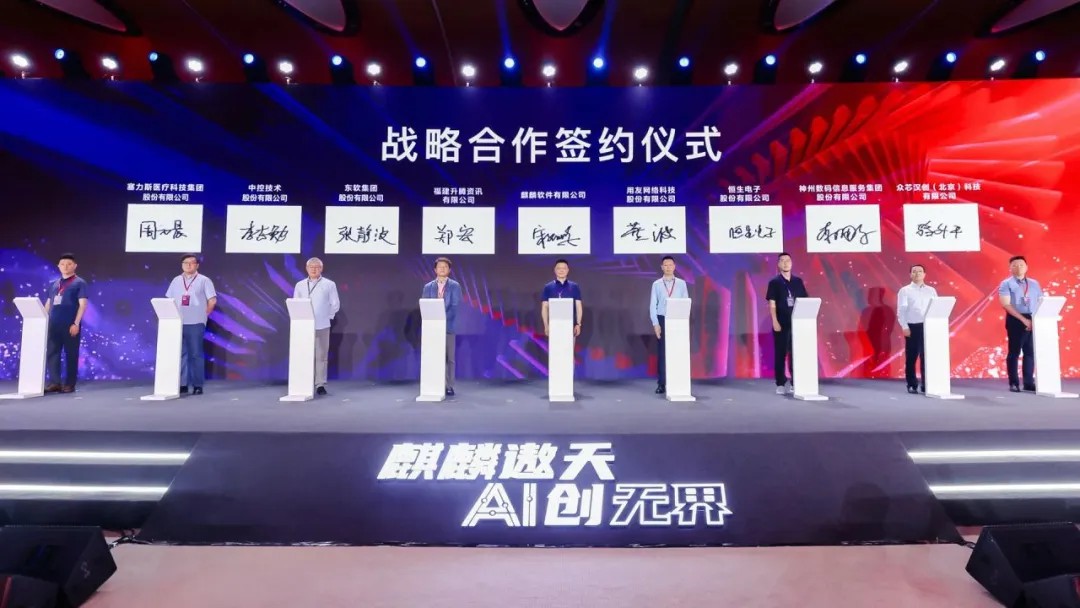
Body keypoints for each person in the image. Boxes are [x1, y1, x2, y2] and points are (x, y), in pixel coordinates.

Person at [166, 254, 217, 395]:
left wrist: (204, 315)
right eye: (185, 262)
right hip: (177, 322)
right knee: (180, 354)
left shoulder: (204, 280)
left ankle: (197, 385)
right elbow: (169, 299)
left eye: (191, 263)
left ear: (197, 265)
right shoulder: (176, 280)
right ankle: (182, 384)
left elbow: (212, 300)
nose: (188, 265)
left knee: (195, 354)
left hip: (195, 322)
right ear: (182, 265)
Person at [293, 257, 340, 396]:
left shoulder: (329, 284)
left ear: (321, 268)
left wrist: (327, 316)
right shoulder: (300, 285)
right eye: (311, 267)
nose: (314, 269)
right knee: (303, 355)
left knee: (321, 356)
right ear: (306, 268)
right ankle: (303, 382)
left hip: (322, 324)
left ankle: (320, 384)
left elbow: (335, 304)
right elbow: (295, 303)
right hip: (303, 325)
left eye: (317, 267)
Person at [44, 253, 88, 393]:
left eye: (69, 264)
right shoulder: (54, 284)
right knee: (52, 353)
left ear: (75, 266)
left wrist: (76, 323)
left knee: (71, 354)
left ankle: (70, 383)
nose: (65, 267)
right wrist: (43, 320)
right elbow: (49, 303)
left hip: (70, 325)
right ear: (58, 266)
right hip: (53, 325)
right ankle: (55, 382)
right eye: (62, 264)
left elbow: (83, 305)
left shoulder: (79, 283)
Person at [766, 252, 809, 395]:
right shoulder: (774, 282)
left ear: (792, 263)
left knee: (796, 354)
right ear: (778, 264)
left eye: (788, 260)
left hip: (797, 324)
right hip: (781, 323)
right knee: (781, 353)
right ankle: (780, 383)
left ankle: (795, 382)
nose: (785, 263)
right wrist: (775, 321)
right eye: (782, 261)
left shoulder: (798, 281)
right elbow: (772, 303)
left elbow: (805, 301)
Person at [998, 255, 1042, 392]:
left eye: (1021, 265)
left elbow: (1040, 301)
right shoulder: (1006, 284)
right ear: (1010, 268)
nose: (1018, 267)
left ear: (1026, 267)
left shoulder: (1034, 283)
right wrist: (1024, 320)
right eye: (1015, 265)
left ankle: (1028, 382)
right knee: (1014, 352)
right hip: (1016, 319)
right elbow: (1006, 304)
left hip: (1033, 318)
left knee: (1030, 352)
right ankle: (1014, 382)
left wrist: (1035, 319)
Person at [421, 257, 462, 396]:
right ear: (435, 269)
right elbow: (425, 305)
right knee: (434, 357)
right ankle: (436, 384)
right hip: (432, 329)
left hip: (448, 327)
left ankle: (449, 385)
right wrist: (433, 321)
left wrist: (442, 319)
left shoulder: (455, 286)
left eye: (445, 267)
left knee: (449, 358)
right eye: (439, 266)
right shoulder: (428, 287)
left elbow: (454, 306)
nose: (442, 269)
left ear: (449, 270)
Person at [649, 256, 689, 394]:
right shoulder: (656, 284)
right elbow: (652, 305)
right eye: (665, 265)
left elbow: (686, 303)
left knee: (678, 352)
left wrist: (685, 320)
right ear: (662, 267)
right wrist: (655, 324)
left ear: (674, 266)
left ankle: (677, 382)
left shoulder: (682, 284)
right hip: (662, 319)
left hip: (678, 319)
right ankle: (662, 383)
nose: (668, 267)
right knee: (663, 353)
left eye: (670, 265)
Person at [896, 264, 937, 394]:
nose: (917, 274)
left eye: (920, 271)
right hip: (912, 326)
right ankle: (912, 384)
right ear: (910, 274)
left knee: (927, 357)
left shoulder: (931, 290)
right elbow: (901, 311)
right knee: (912, 357)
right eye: (914, 271)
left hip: (928, 326)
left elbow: (936, 307)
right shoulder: (905, 291)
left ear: (924, 274)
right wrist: (904, 326)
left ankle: (927, 384)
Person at [541, 258, 584, 339]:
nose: (561, 270)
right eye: (559, 268)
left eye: (564, 268)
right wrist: (546, 325)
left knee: (569, 346)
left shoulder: (574, 286)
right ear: (555, 270)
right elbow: (544, 307)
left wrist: (578, 324)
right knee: (555, 346)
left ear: (568, 270)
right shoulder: (548, 287)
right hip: (553, 325)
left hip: (570, 325)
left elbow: (578, 306)